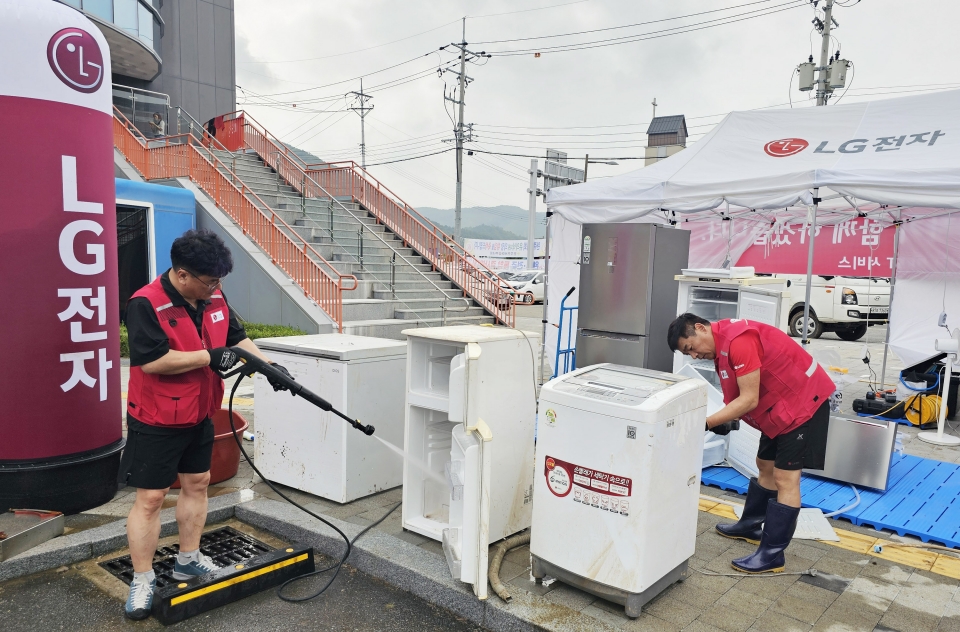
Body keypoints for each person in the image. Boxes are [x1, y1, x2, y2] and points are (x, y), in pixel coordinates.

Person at [118, 229, 289, 620]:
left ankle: (188, 559)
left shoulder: (213, 295)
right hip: (156, 417)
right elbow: (151, 361)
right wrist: (208, 357)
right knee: (151, 498)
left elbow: (236, 336)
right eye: (209, 281)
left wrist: (267, 367)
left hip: (199, 412)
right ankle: (142, 579)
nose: (216, 289)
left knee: (197, 483)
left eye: (219, 281)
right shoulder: (146, 303)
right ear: (181, 275)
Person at [667, 313, 835, 574]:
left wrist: (706, 422)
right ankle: (751, 525)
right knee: (764, 464)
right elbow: (736, 395)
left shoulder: (738, 340)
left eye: (691, 348)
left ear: (700, 328)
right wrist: (724, 417)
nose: (694, 356)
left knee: (785, 478)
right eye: (687, 354)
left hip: (802, 404)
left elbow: (748, 400)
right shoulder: (721, 345)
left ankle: (772, 555)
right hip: (778, 408)